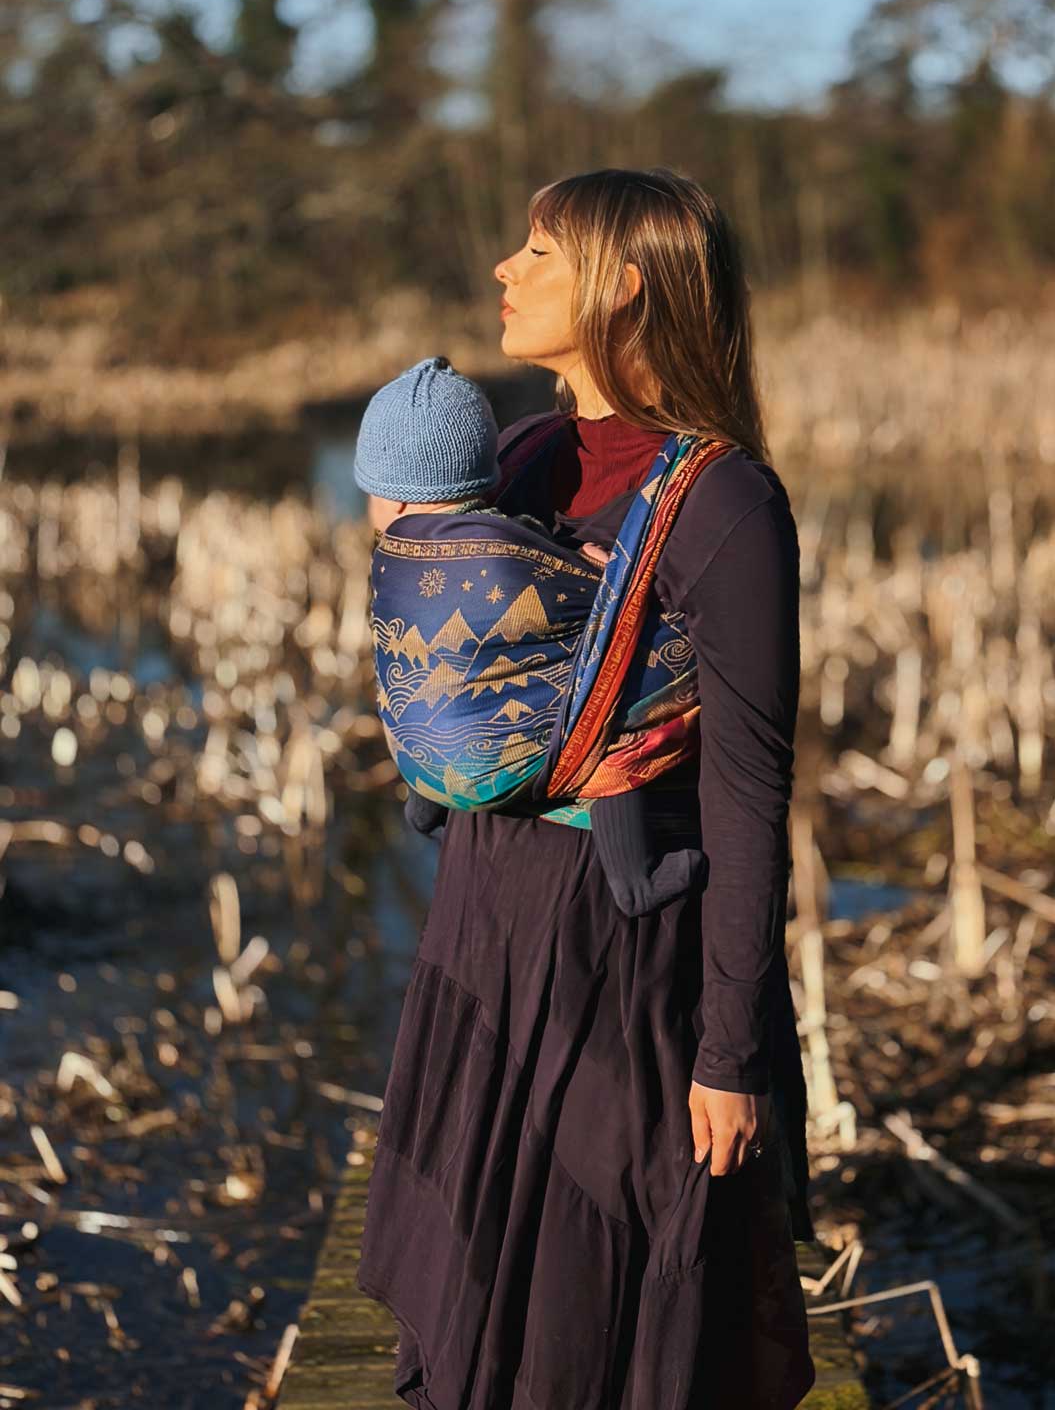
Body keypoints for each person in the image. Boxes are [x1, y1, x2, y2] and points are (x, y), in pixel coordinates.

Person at [356, 166, 816, 1410]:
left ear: (624, 284)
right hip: (484, 916)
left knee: (585, 1302)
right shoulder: (519, 452)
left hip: (620, 958)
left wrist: (732, 1052)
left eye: (540, 251)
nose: (504, 269)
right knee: (475, 1294)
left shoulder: (723, 500)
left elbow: (747, 793)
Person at [353, 352, 719, 917]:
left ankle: (426, 811)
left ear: (393, 497)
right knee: (603, 711)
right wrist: (594, 569)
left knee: (426, 691)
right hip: (501, 754)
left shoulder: (389, 559)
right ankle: (636, 882)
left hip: (422, 760)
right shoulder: (511, 537)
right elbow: (564, 583)